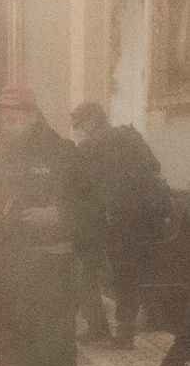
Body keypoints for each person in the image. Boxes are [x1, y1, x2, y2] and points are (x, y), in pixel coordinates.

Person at [0, 86, 95, 366]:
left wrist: (57, 214)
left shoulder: (63, 153)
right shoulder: (0, 156)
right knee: (16, 331)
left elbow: (90, 206)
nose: (7, 127)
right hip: (12, 260)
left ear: (33, 116)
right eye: (2, 120)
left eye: (14, 120)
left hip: (52, 261)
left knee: (53, 334)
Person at [70, 102, 168, 348]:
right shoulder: (91, 147)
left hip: (128, 219)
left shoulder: (121, 140)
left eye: (80, 124)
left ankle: (123, 333)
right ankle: (100, 327)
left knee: (123, 273)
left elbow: (138, 176)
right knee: (90, 269)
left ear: (93, 121)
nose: (78, 130)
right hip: (103, 219)